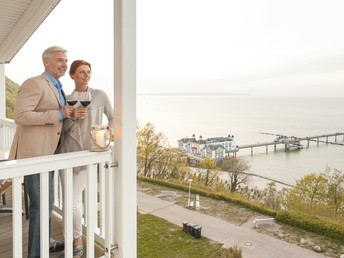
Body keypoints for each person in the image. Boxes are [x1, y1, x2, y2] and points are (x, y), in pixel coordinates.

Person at [8, 46, 73, 257]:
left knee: (47, 203)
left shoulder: (57, 86)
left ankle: (46, 242)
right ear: (46, 62)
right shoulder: (34, 83)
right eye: (60, 60)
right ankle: (36, 253)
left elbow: (58, 117)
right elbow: (21, 116)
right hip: (35, 155)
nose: (64, 64)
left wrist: (69, 115)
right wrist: (57, 114)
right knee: (40, 206)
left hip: (51, 153)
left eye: (65, 60)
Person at [58, 60, 114, 257]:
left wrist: (107, 134)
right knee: (73, 201)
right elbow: (62, 129)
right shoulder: (66, 98)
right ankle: (76, 236)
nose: (86, 75)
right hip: (68, 152)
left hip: (88, 154)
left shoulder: (99, 95)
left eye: (88, 72)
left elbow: (112, 117)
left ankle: (75, 238)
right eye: (81, 72)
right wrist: (72, 118)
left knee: (70, 201)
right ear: (72, 75)